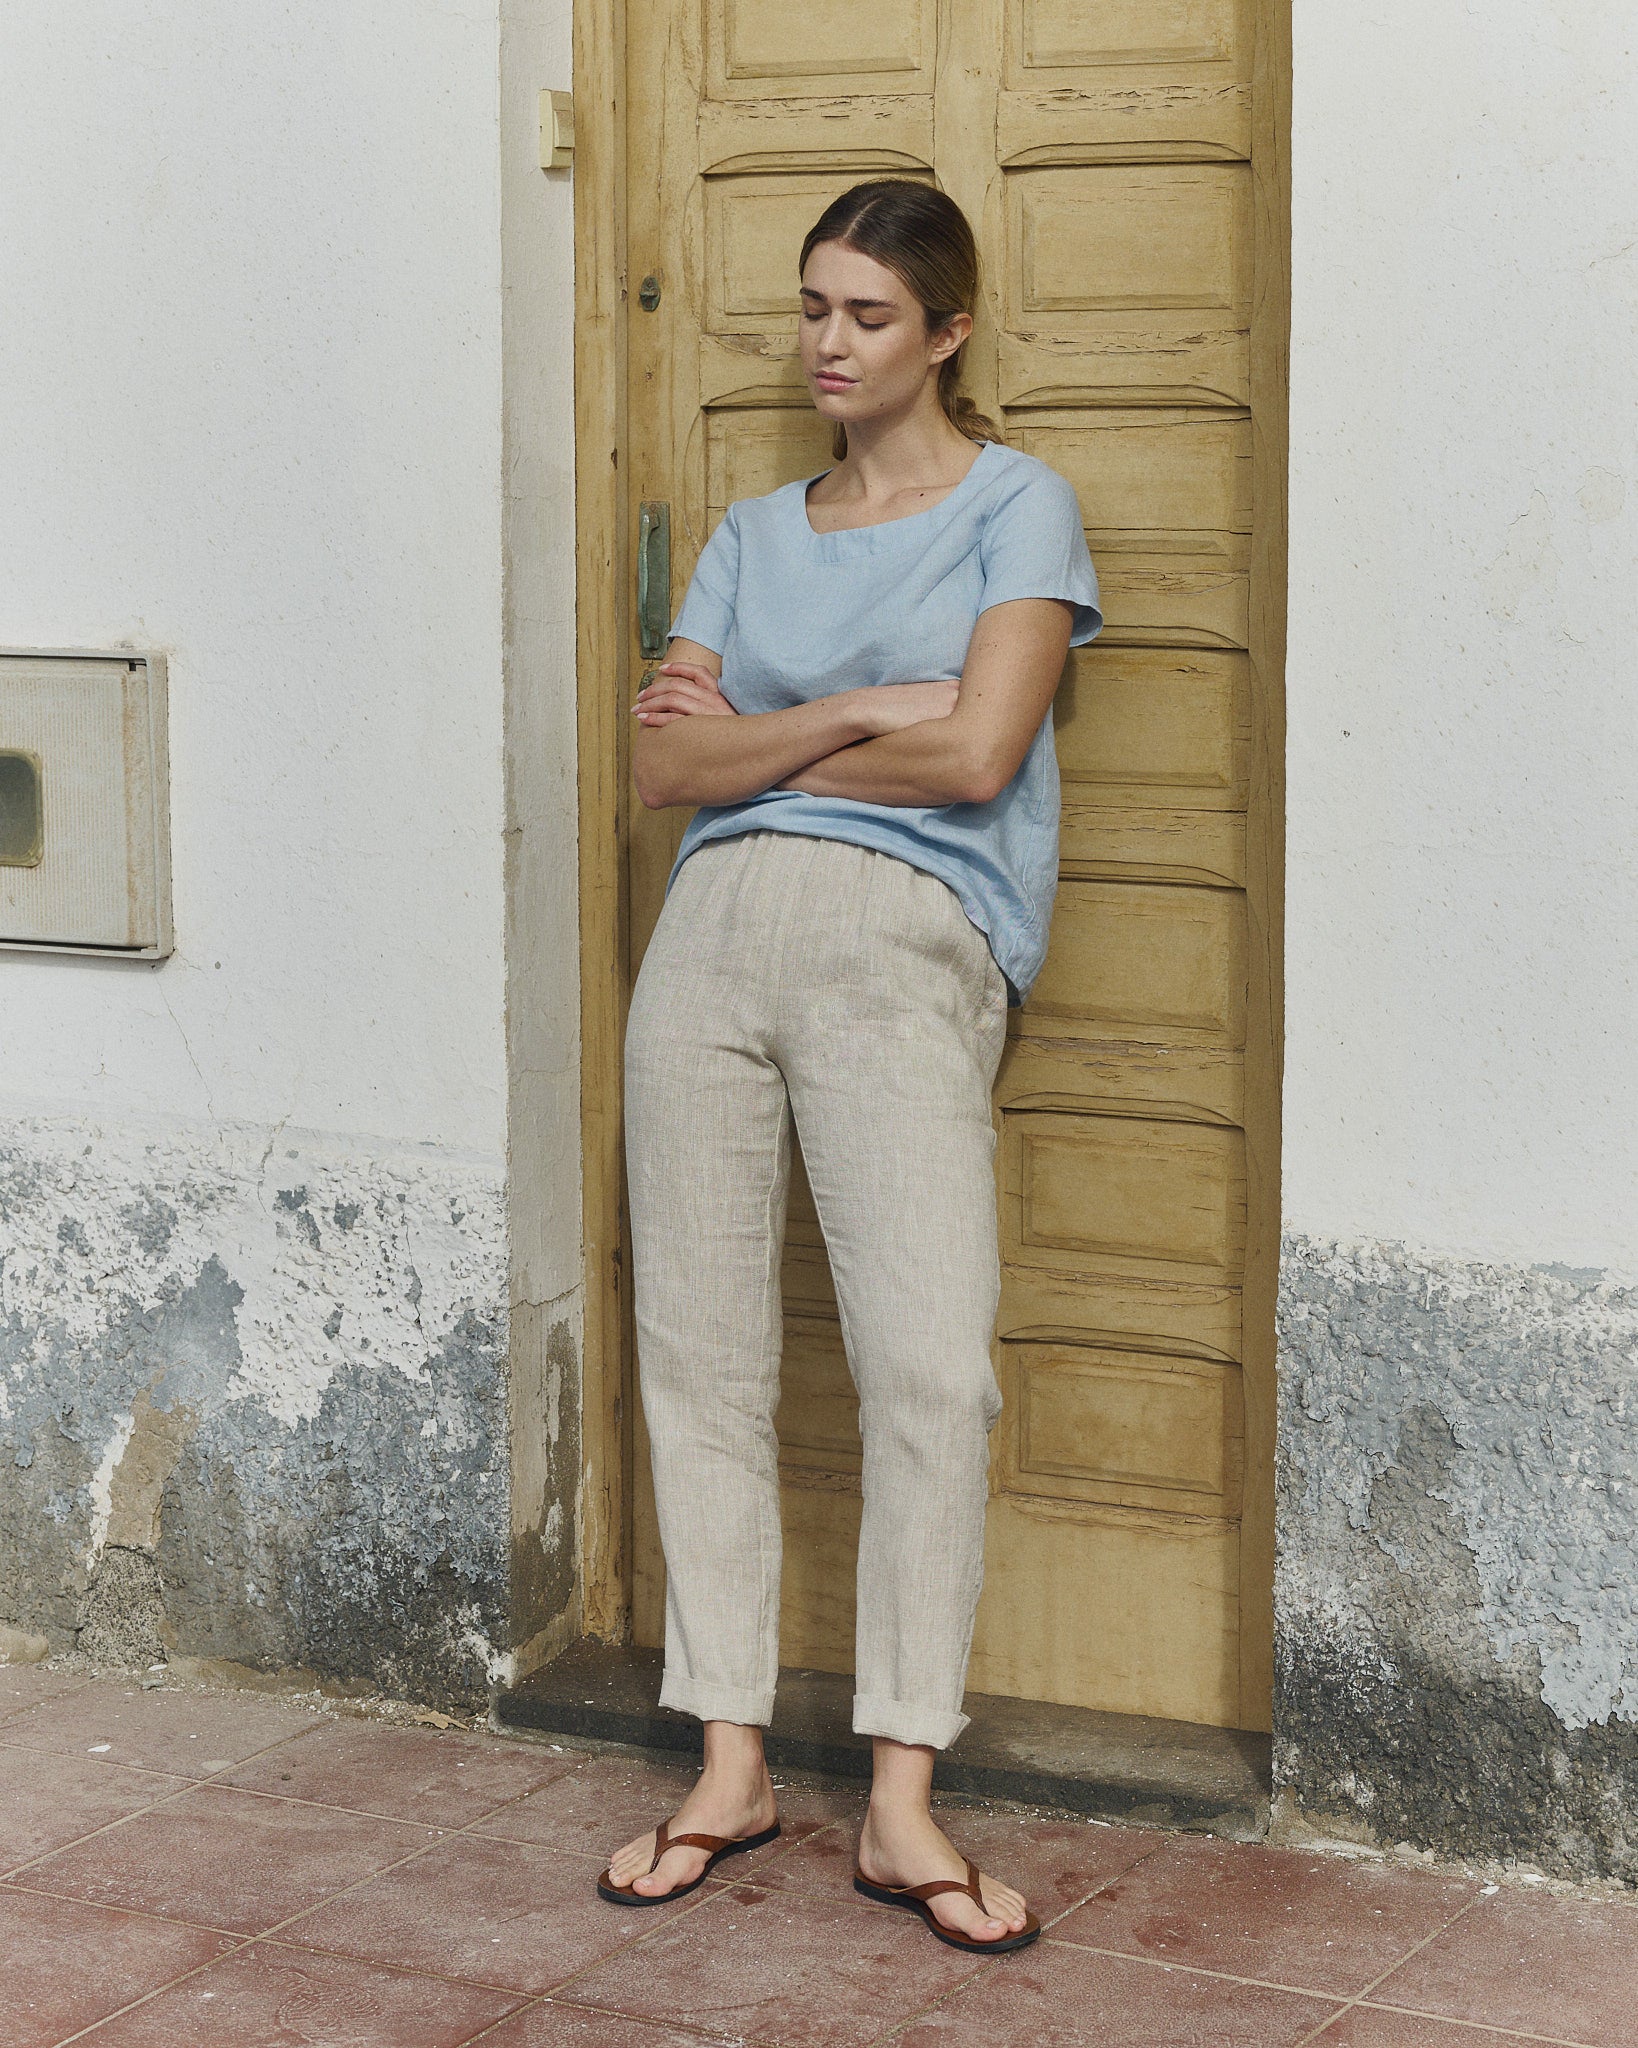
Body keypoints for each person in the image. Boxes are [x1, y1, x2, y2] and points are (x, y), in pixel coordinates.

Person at [596, 179, 1101, 1952]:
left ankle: (899, 1796)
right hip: (709, 943)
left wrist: (759, 741)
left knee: (927, 1371)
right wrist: (858, 709)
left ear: (946, 332)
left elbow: (976, 760)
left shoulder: (1018, 503)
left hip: (905, 943)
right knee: (700, 1352)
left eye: (868, 315)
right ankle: (728, 1761)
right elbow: (664, 776)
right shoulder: (749, 531)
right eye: (813, 307)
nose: (828, 342)